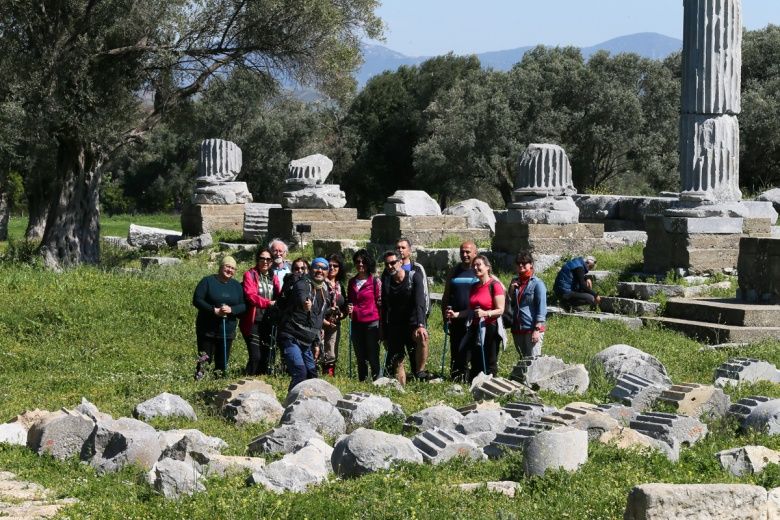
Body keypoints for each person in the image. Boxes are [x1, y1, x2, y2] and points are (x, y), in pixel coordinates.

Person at [445, 255, 505, 381]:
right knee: (475, 359)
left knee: (490, 359)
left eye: (479, 265)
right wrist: (455, 315)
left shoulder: (495, 285)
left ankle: (491, 385)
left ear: (487, 267)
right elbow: (470, 310)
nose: (476, 268)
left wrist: (485, 313)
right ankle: (475, 386)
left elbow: (500, 309)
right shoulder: (474, 286)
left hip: (490, 327)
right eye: (474, 266)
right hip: (475, 327)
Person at [277, 257, 333, 391]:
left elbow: (317, 320)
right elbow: (302, 295)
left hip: (307, 341)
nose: (319, 270)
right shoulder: (302, 283)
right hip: (291, 336)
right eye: (316, 267)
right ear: (311, 269)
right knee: (300, 372)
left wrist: (316, 343)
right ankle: (289, 405)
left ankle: (309, 403)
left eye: (323, 268)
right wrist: (305, 303)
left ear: (327, 272)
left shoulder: (325, 291)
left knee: (312, 375)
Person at [192, 255, 246, 378]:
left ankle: (218, 386)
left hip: (227, 331)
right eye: (227, 266)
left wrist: (231, 309)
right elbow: (197, 300)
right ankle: (199, 381)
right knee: (204, 360)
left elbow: (243, 306)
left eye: (233, 268)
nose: (230, 270)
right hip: (207, 330)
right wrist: (214, 310)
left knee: (222, 363)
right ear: (221, 266)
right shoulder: (207, 281)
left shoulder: (237, 286)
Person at [381, 250, 428, 385]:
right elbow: (384, 306)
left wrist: (421, 325)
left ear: (400, 262)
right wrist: (383, 330)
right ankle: (401, 390)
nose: (390, 266)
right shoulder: (387, 280)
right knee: (398, 360)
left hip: (413, 323)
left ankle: (420, 372)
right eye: (387, 264)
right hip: (395, 325)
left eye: (393, 263)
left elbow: (420, 303)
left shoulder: (414, 277)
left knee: (423, 338)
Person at [239, 248, 281, 375]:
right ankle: (247, 381)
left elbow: (278, 295)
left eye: (268, 259)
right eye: (262, 258)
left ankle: (261, 385)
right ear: (257, 260)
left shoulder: (273, 277)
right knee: (256, 356)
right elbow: (250, 295)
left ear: (272, 261)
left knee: (267, 356)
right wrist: (268, 303)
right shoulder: (250, 274)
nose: (265, 261)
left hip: (268, 321)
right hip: (253, 321)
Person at [395, 237, 432, 379]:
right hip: (398, 319)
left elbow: (424, 295)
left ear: (409, 251)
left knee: (418, 344)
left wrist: (423, 317)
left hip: (415, 317)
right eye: (398, 247)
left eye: (403, 247)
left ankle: (419, 373)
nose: (400, 250)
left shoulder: (417, 268)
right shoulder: (391, 267)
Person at [441, 241, 477, 380]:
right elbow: (446, 295)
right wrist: (445, 318)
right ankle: (456, 377)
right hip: (455, 317)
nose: (464, 254)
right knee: (456, 348)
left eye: (468, 252)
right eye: (462, 252)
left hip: (473, 317)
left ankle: (471, 377)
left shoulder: (479, 270)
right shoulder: (454, 271)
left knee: (472, 349)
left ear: (475, 253)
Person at [347, 249, 382, 382]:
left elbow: (379, 302)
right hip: (356, 322)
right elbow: (349, 300)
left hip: (372, 322)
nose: (360, 264)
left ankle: (377, 381)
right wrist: (349, 307)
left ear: (368, 263)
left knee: (373, 355)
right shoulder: (352, 282)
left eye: (363, 261)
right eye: (357, 262)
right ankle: (362, 381)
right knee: (360, 355)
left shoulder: (374, 281)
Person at [507, 251, 547, 358]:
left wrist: (537, 330)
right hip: (518, 329)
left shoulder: (537, 283)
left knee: (533, 362)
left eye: (524, 263)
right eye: (518, 263)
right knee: (522, 360)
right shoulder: (514, 281)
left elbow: (541, 308)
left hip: (532, 328)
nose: (521, 265)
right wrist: (511, 290)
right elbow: (509, 304)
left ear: (531, 264)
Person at [321, 253, 347, 376]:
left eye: (335, 265)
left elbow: (345, 305)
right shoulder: (320, 283)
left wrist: (341, 314)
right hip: (320, 322)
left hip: (334, 324)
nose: (332, 268)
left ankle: (329, 377)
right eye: (329, 265)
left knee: (331, 352)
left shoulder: (340, 286)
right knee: (318, 349)